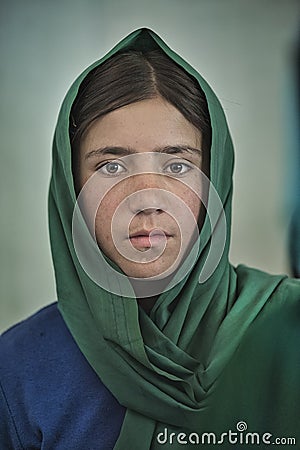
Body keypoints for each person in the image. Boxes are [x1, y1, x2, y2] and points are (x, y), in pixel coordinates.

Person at [0, 27, 299, 450]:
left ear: (215, 179)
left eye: (178, 167)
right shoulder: (17, 371)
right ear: (70, 189)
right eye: (111, 167)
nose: (146, 200)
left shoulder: (290, 330)